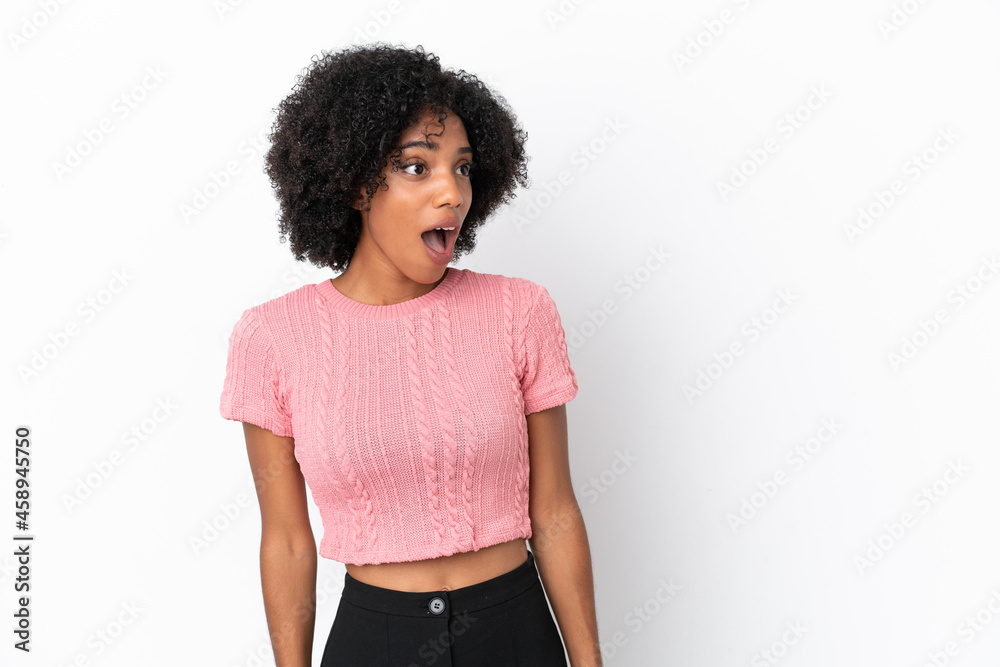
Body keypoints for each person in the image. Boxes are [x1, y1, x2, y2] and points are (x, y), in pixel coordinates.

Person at [219, 43, 601, 667]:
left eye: (464, 167)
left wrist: (589, 662)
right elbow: (287, 539)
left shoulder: (518, 312)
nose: (452, 193)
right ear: (355, 183)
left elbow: (554, 509)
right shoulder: (272, 339)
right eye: (417, 167)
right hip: (377, 641)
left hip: (514, 632)